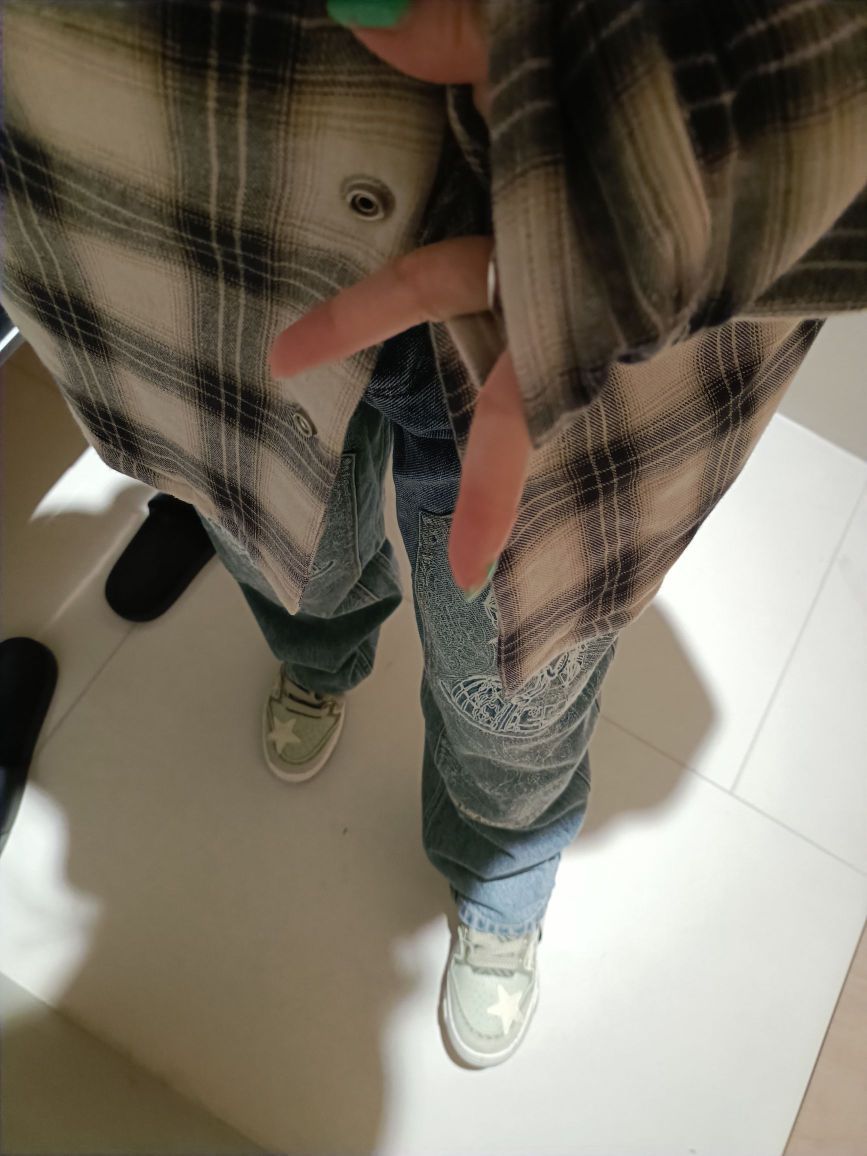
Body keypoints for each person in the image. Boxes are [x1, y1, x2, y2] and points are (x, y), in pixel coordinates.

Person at [1, 0, 864, 1067]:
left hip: (621, 242)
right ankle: (320, 656)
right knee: (273, 523)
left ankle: (500, 863)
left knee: (519, 656)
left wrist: (684, 134)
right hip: (182, 177)